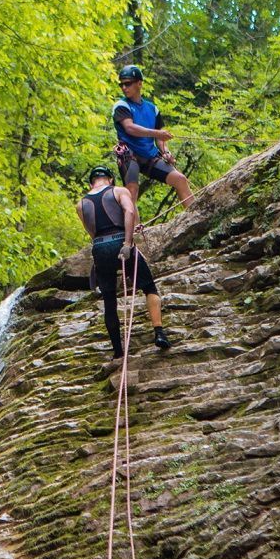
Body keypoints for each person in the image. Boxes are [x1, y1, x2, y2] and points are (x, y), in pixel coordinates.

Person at [78, 164, 170, 357]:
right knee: (149, 288)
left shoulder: (81, 204)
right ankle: (159, 332)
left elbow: (91, 232)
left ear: (91, 183)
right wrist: (127, 242)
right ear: (110, 179)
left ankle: (118, 352)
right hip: (120, 242)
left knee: (110, 300)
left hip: (100, 248)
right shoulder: (119, 190)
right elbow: (129, 212)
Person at [112, 64, 193, 208]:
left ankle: (195, 216)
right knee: (132, 191)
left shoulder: (152, 109)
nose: (124, 87)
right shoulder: (121, 105)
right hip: (129, 155)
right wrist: (157, 133)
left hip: (149, 155)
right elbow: (130, 128)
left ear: (139, 83)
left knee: (180, 179)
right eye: (122, 85)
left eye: (128, 83)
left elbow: (160, 138)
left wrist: (166, 152)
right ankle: (135, 229)